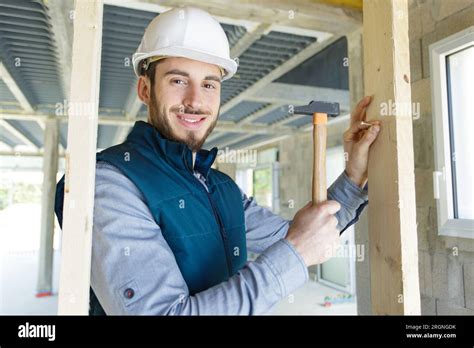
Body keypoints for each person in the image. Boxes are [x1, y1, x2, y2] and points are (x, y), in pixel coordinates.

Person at [55, 7, 381, 315]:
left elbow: (304, 234)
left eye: (209, 84)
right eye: (178, 80)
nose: (195, 101)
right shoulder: (107, 183)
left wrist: (353, 178)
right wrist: (295, 253)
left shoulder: (221, 188)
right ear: (144, 89)